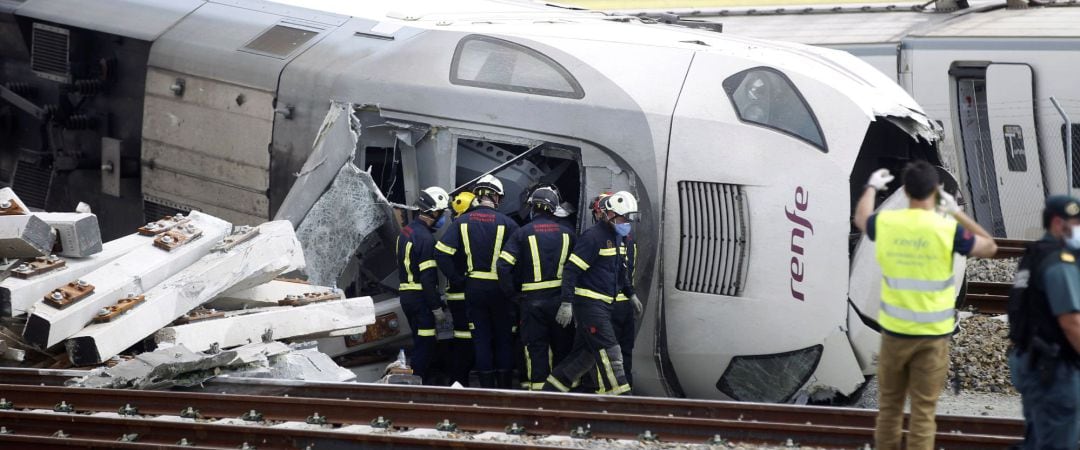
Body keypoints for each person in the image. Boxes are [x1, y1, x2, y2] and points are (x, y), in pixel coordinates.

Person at [853, 160, 997, 450]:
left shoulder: (890, 224)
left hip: (895, 335)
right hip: (932, 336)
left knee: (890, 410)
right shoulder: (946, 229)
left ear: (905, 191)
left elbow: (862, 219)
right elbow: (989, 245)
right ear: (935, 191)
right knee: (922, 412)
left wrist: (871, 187)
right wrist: (956, 213)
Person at [544, 190, 639, 395]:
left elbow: (619, 270)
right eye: (623, 217)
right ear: (609, 214)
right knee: (610, 352)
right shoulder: (593, 237)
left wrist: (630, 294)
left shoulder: (618, 237)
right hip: (590, 304)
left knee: (583, 357)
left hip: (606, 304)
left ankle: (549, 393)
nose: (626, 222)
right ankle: (622, 401)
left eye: (628, 218)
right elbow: (571, 270)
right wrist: (567, 302)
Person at [1007, 195, 1080, 450]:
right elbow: (1072, 323)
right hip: (1054, 371)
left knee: (1039, 439)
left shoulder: (1033, 255)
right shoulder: (1059, 263)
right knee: (1058, 442)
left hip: (1032, 363)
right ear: (1059, 223)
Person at [436, 175, 520, 388]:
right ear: (496, 197)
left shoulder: (462, 222)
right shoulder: (508, 224)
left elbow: (442, 253)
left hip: (474, 288)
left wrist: (456, 278)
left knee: (480, 338)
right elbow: (520, 260)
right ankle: (505, 387)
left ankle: (486, 388)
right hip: (500, 290)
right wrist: (513, 289)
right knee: (503, 339)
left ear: (478, 195)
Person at [497, 186, 576, 390]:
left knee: (536, 348)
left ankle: (540, 394)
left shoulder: (522, 233)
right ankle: (563, 393)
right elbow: (578, 270)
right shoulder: (568, 234)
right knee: (563, 348)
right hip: (561, 302)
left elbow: (503, 266)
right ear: (554, 208)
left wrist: (512, 294)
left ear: (532, 207)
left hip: (531, 302)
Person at [395, 186, 450, 384]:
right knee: (425, 345)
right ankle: (417, 386)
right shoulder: (426, 239)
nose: (442, 217)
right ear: (433, 212)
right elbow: (428, 279)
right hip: (420, 300)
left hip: (407, 297)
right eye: (442, 213)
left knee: (419, 341)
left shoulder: (406, 232)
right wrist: (436, 307)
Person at [445, 190, 477, 386]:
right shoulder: (462, 229)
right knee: (465, 341)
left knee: (462, 339)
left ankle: (459, 379)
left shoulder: (456, 228)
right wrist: (459, 280)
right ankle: (459, 381)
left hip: (457, 294)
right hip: (462, 294)